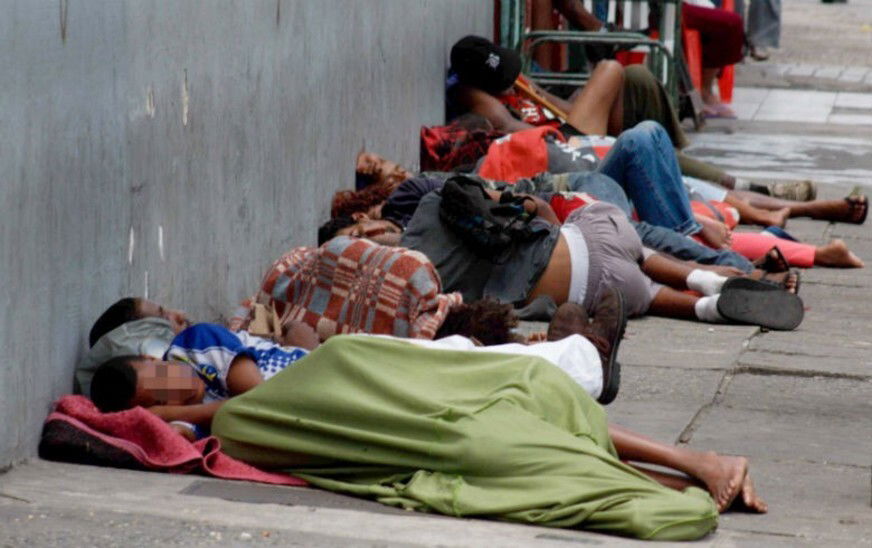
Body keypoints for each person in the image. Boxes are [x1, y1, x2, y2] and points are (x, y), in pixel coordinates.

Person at [211, 334, 766, 541]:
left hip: (396, 381)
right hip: (388, 404)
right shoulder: (213, 386)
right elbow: (227, 408)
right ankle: (685, 472)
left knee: (532, 389)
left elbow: (238, 394)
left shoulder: (209, 344)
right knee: (514, 434)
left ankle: (690, 463)